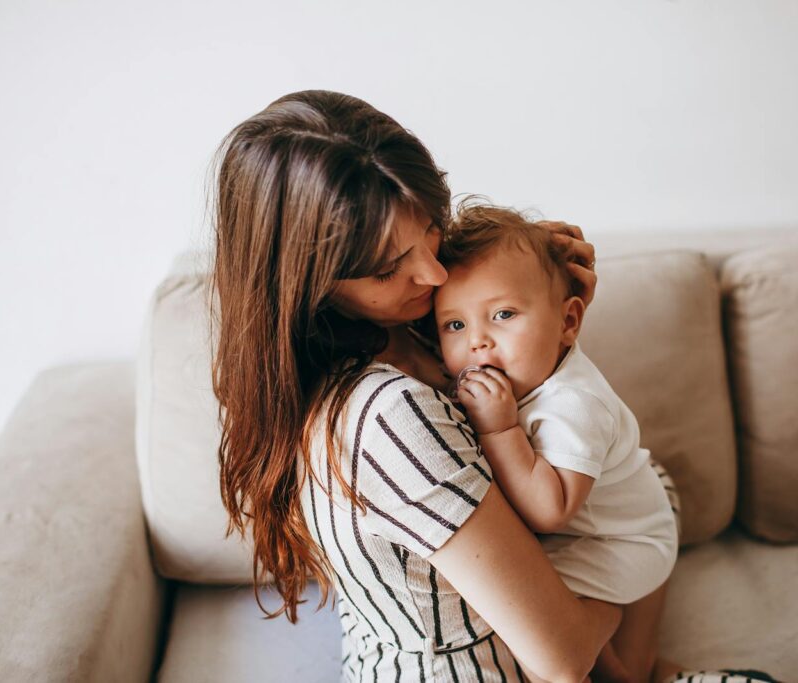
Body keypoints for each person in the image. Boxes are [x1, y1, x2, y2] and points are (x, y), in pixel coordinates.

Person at [208, 89, 702, 682]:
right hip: (488, 668)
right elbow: (564, 658)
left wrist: (545, 316)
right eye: (388, 268)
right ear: (308, 285)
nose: (434, 273)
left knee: (643, 478)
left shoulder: (399, 324)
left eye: (430, 231)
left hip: (405, 633)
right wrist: (619, 591)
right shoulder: (389, 413)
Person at [431, 201, 682, 682]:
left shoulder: (575, 405)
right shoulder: (512, 374)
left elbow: (550, 510)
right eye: (455, 325)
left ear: (568, 322)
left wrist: (499, 430)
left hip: (625, 544)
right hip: (595, 533)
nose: (477, 341)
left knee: (532, 622)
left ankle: (607, 629)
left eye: (503, 314)